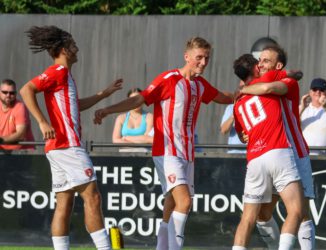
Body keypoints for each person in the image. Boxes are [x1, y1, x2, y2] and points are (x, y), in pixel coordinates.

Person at [94, 37, 235, 250]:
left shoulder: (199, 84)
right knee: (185, 202)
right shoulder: (169, 78)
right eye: (199, 57)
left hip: (187, 152)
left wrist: (244, 94)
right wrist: (108, 110)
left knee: (172, 201)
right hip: (167, 150)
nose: (204, 62)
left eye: (207, 58)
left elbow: (221, 97)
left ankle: (161, 247)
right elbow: (138, 99)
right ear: (186, 57)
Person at [19, 25, 123, 250]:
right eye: (73, 44)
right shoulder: (59, 71)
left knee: (64, 203)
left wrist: (103, 94)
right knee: (92, 197)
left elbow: (75, 105)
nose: (77, 48)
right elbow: (26, 89)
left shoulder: (65, 76)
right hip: (67, 146)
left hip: (57, 148)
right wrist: (42, 121)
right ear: (65, 49)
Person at [239, 45, 315, 250]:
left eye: (266, 60)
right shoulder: (259, 85)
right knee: (263, 214)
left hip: (295, 152)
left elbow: (271, 87)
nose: (260, 64)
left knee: (302, 212)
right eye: (259, 60)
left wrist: (243, 89)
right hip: (276, 152)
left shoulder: (285, 81)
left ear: (278, 66)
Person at [0, 79, 35, 150]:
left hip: (21, 153)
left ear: (15, 94)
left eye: (11, 93)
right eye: (5, 92)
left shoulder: (20, 107)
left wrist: (1, 140)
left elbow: (20, 135)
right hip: (3, 151)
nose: (8, 95)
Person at [220, 81, 246, 154]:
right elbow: (223, 130)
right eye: (241, 87)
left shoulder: (257, 104)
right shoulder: (231, 107)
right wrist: (234, 114)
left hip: (253, 153)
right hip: (234, 153)